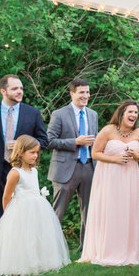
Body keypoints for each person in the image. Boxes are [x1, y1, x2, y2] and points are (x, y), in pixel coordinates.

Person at [0, 135, 71, 276]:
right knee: (17, 246)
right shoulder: (15, 173)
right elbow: (6, 196)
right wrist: (10, 216)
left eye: (37, 152)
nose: (35, 156)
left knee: (27, 245)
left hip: (34, 213)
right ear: (21, 152)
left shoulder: (33, 171)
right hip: (19, 214)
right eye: (32, 152)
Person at [79, 100, 139, 266]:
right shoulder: (108, 130)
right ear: (122, 113)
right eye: (130, 112)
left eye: (136, 113)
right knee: (110, 210)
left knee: (128, 210)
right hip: (109, 177)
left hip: (130, 177)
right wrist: (115, 159)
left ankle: (129, 250)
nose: (133, 115)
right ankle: (105, 250)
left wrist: (137, 156)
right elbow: (95, 153)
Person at [0, 74, 48, 220]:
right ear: (3, 91)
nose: (20, 91)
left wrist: (24, 146)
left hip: (22, 170)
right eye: (14, 89)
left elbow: (44, 141)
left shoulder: (33, 113)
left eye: (21, 88)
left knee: (23, 217)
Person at [46, 78, 98, 251]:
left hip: (89, 167)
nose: (86, 96)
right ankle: (50, 249)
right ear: (72, 94)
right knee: (58, 211)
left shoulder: (93, 114)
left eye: (87, 92)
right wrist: (75, 141)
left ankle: (86, 249)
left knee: (89, 211)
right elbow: (50, 141)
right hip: (65, 168)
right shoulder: (59, 114)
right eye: (81, 92)